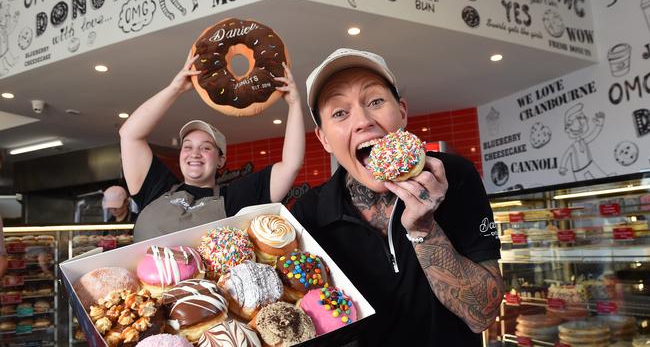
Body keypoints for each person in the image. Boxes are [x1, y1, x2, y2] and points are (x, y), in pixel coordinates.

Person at [291, 48, 504, 346]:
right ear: (324, 138)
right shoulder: (308, 214)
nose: (364, 120)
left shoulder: (453, 175)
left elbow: (483, 315)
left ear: (402, 112)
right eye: (340, 112)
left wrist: (425, 231)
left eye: (375, 101)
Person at [120, 54, 305, 242]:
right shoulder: (156, 186)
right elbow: (129, 135)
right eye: (188, 146)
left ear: (221, 159)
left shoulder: (235, 199)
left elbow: (290, 165)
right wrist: (175, 89)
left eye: (206, 148)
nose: (194, 153)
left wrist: (294, 104)